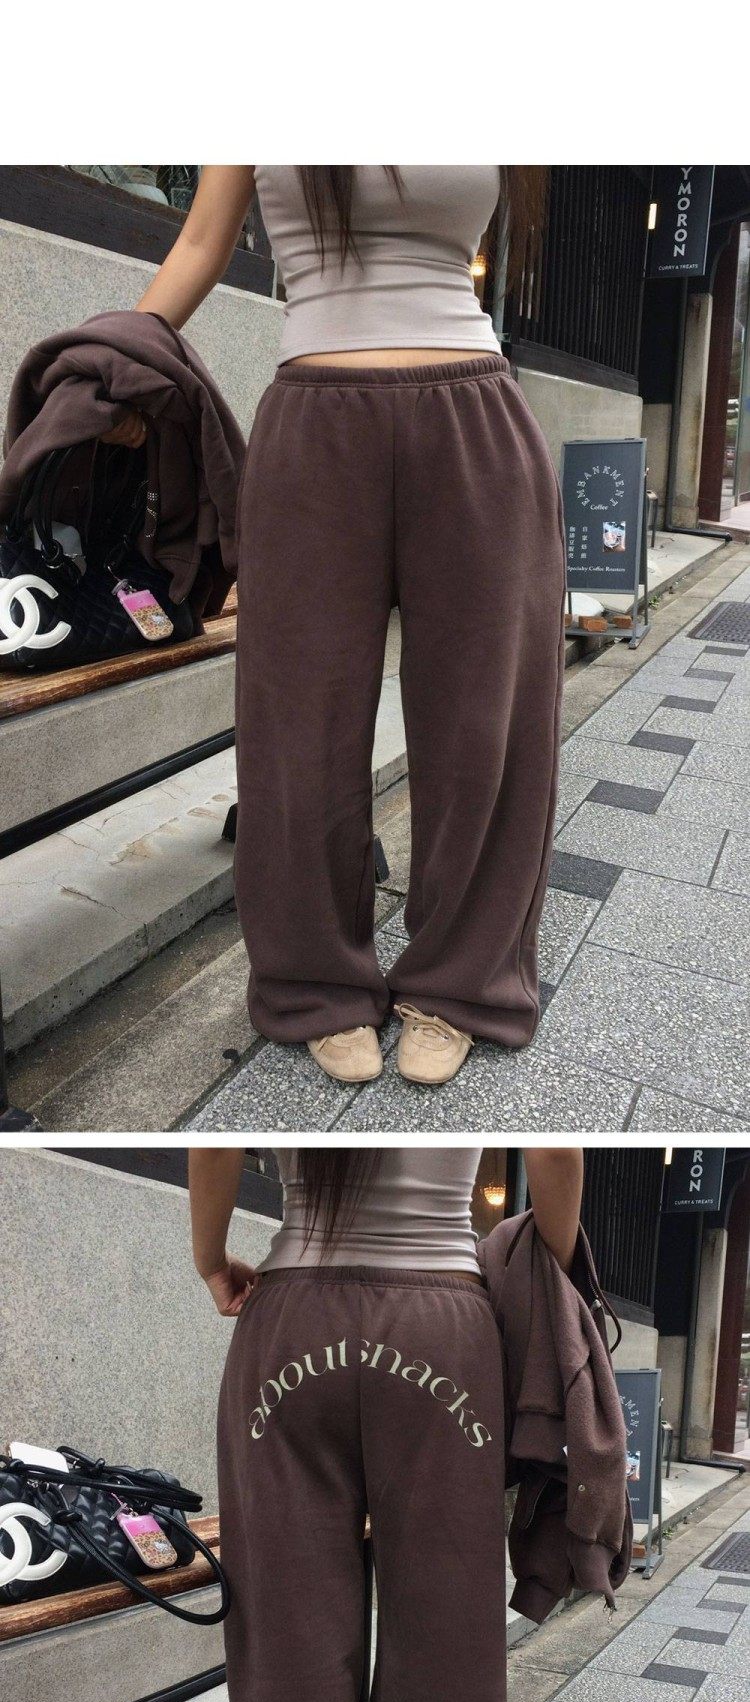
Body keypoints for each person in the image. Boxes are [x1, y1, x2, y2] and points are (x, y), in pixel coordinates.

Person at [137, 165, 565, 1084]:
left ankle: (460, 983)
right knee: (299, 725)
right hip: (313, 425)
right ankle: (314, 981)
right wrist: (124, 358)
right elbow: (203, 241)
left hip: (475, 423)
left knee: (485, 725)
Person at [190, 1136, 585, 1702]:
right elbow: (555, 1153)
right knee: (446, 1637)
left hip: (290, 1321)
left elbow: (214, 1147)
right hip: (443, 1327)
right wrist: (550, 1272)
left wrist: (211, 1260)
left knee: (288, 1640)